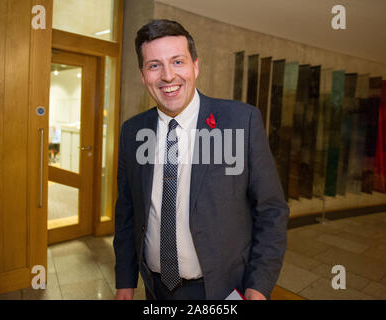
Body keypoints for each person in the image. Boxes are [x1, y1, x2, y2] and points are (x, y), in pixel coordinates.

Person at [113, 19, 289, 300]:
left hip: (220, 290)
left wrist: (258, 287)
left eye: (178, 62)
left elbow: (271, 210)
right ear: (143, 75)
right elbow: (127, 212)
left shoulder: (240, 122)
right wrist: (125, 281)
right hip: (155, 289)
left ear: (196, 65)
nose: (168, 76)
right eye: (154, 65)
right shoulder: (133, 132)